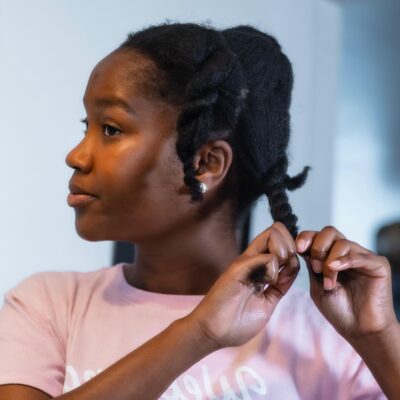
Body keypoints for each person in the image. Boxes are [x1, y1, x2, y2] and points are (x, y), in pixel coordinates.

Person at [0, 22, 399, 400]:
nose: (76, 156)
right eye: (87, 125)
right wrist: (198, 333)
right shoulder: (50, 305)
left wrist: (378, 336)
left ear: (206, 164)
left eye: (111, 129)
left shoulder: (323, 333)